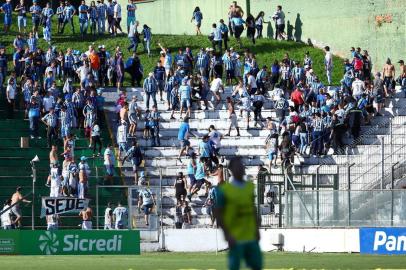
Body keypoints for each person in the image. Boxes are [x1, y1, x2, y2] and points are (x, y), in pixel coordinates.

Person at [214, 157, 262, 270]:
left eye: (241, 165)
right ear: (231, 169)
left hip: (251, 235)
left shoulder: (250, 187)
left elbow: (253, 209)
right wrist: (227, 234)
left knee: (257, 265)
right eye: (237, 165)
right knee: (234, 267)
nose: (241, 167)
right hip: (235, 236)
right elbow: (218, 213)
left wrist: (257, 229)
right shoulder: (224, 190)